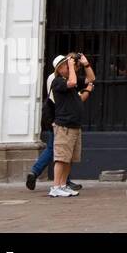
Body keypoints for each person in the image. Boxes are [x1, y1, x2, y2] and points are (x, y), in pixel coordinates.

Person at [49, 52, 95, 198]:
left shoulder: (70, 78)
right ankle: (55, 186)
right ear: (59, 69)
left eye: (67, 64)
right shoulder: (58, 81)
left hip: (74, 125)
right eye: (64, 65)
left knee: (69, 159)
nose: (68, 67)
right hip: (64, 126)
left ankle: (63, 185)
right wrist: (70, 64)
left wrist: (85, 64)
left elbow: (91, 79)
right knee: (61, 158)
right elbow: (72, 83)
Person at [25, 55, 66, 192]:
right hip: (59, 116)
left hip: (53, 116)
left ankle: (63, 180)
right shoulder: (58, 79)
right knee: (58, 149)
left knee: (57, 148)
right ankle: (38, 172)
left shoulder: (50, 77)